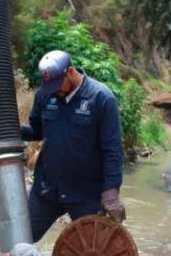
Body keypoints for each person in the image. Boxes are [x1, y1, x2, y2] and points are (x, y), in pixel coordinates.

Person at [21, 50, 126, 242]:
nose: (54, 90)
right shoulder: (45, 95)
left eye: (57, 84)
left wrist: (111, 193)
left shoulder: (101, 98)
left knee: (93, 253)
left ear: (70, 71)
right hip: (47, 189)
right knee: (20, 238)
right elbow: (36, 131)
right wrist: (10, 129)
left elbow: (113, 150)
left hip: (86, 194)